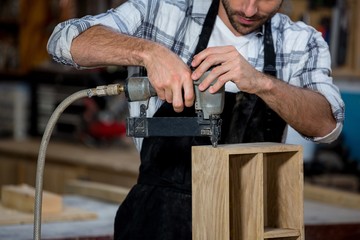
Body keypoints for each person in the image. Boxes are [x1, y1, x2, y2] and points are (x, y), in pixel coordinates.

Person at [47, 0, 345, 239]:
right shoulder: (164, 11)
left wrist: (261, 83)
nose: (250, 9)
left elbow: (327, 126)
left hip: (251, 222)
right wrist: (148, 52)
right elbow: (63, 40)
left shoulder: (300, 41)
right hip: (157, 219)